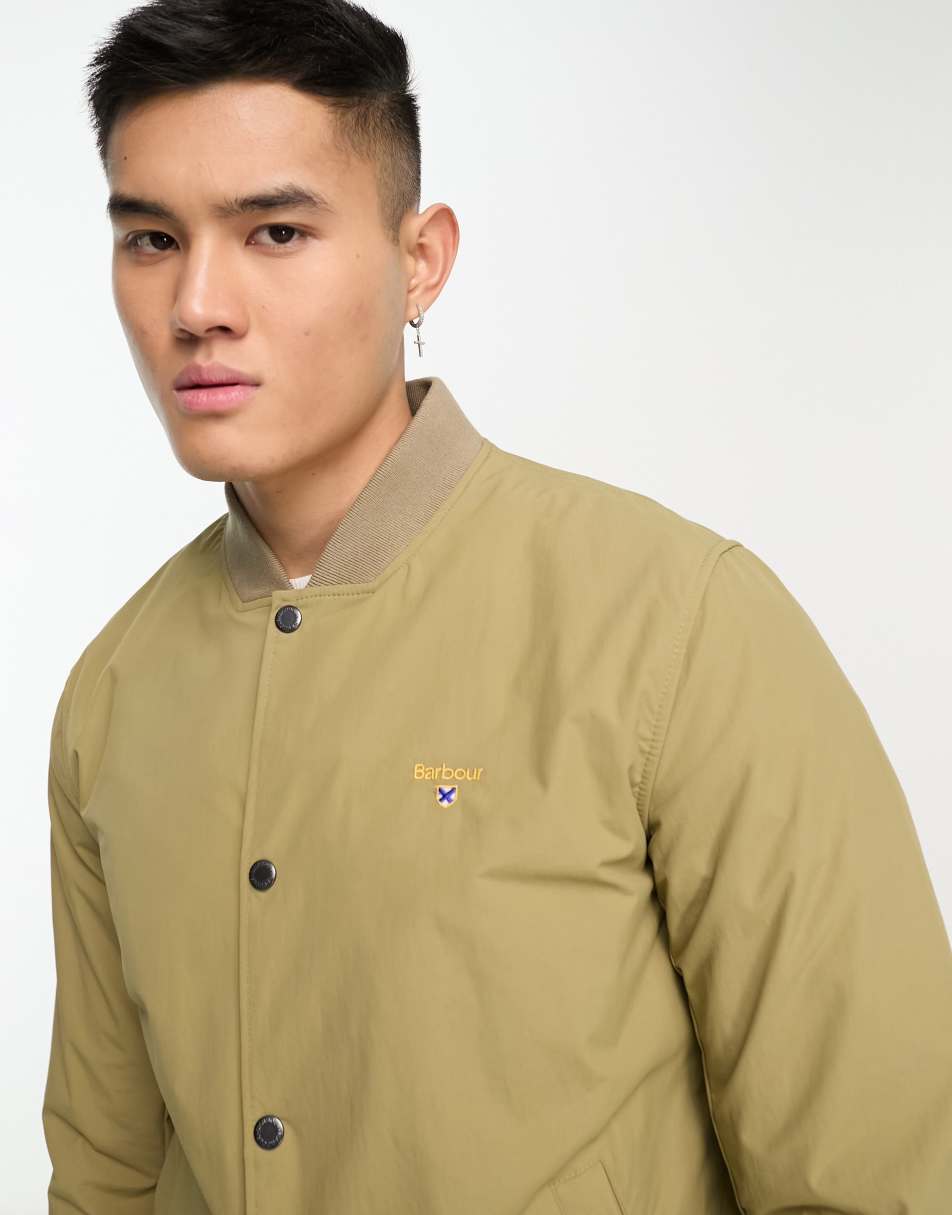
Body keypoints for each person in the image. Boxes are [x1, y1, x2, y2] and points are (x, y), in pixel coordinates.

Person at [42, 1, 952, 1212]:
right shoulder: (116, 692)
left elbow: (872, 1170)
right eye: (152, 239)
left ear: (419, 260)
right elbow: (106, 1172)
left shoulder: (676, 622)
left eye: (275, 231)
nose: (198, 303)